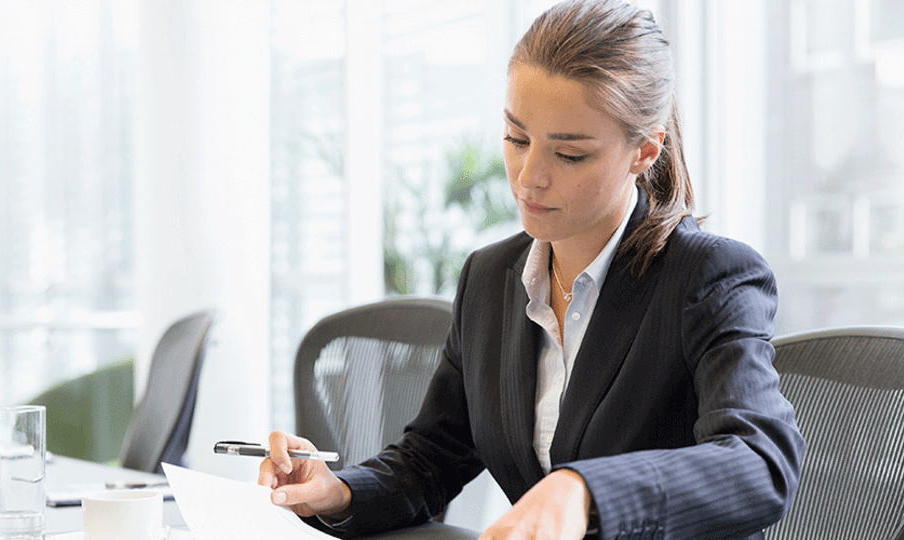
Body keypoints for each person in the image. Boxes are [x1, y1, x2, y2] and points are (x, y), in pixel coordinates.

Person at [258, 1, 805, 538]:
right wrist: (339, 491)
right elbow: (431, 459)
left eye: (569, 155)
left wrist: (583, 490)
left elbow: (761, 461)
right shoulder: (490, 278)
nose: (528, 177)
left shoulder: (708, 277)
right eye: (517, 139)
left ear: (644, 150)